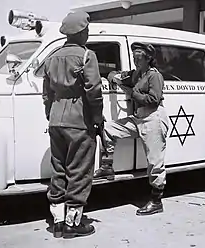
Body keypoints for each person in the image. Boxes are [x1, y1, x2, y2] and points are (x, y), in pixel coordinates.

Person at [42, 10, 104, 238]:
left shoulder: (52, 56)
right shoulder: (87, 56)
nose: (87, 34)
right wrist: (97, 118)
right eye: (86, 30)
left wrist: (51, 115)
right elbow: (94, 91)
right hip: (79, 121)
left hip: (56, 120)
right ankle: (72, 224)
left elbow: (46, 94)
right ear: (81, 32)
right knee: (79, 171)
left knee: (58, 169)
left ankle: (57, 221)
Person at [94, 42, 169, 215]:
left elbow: (154, 99)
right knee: (108, 128)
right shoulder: (138, 74)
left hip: (153, 118)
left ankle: (156, 200)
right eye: (134, 57)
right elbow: (119, 76)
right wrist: (112, 76)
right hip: (139, 118)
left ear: (148, 58)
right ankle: (107, 166)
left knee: (155, 161)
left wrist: (133, 94)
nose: (135, 60)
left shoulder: (154, 76)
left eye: (139, 57)